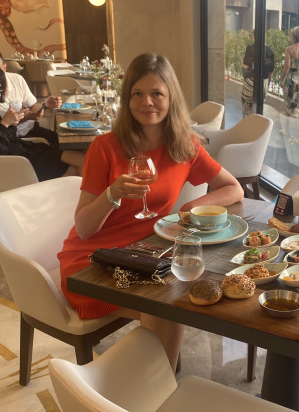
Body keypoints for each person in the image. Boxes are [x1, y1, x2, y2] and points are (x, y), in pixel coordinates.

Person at [58, 53, 244, 371]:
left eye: (157, 93)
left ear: (171, 98)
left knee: (185, 294)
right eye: (137, 93)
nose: (147, 102)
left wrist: (190, 208)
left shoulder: (184, 146)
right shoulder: (105, 147)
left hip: (147, 253)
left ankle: (157, 382)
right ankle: (159, 387)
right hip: (94, 261)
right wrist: (113, 194)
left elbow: (233, 189)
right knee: (168, 304)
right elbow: (84, 228)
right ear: (127, 98)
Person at [0, 60, 84, 179]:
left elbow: (6, 135)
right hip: (16, 163)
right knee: (80, 164)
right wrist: (5, 123)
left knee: (83, 159)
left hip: (23, 151)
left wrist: (13, 122)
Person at [0, 47, 61, 145]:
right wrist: (25, 117)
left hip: (29, 130)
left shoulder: (17, 79)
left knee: (61, 142)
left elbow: (33, 105)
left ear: (5, 68)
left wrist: (45, 105)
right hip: (9, 139)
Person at [241, 31, 275, 117]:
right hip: (264, 82)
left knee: (247, 108)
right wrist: (267, 84)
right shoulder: (269, 51)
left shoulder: (250, 48)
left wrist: (242, 62)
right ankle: (258, 125)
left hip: (250, 81)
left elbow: (246, 66)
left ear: (253, 36)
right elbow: (271, 71)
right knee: (260, 109)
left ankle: (247, 124)